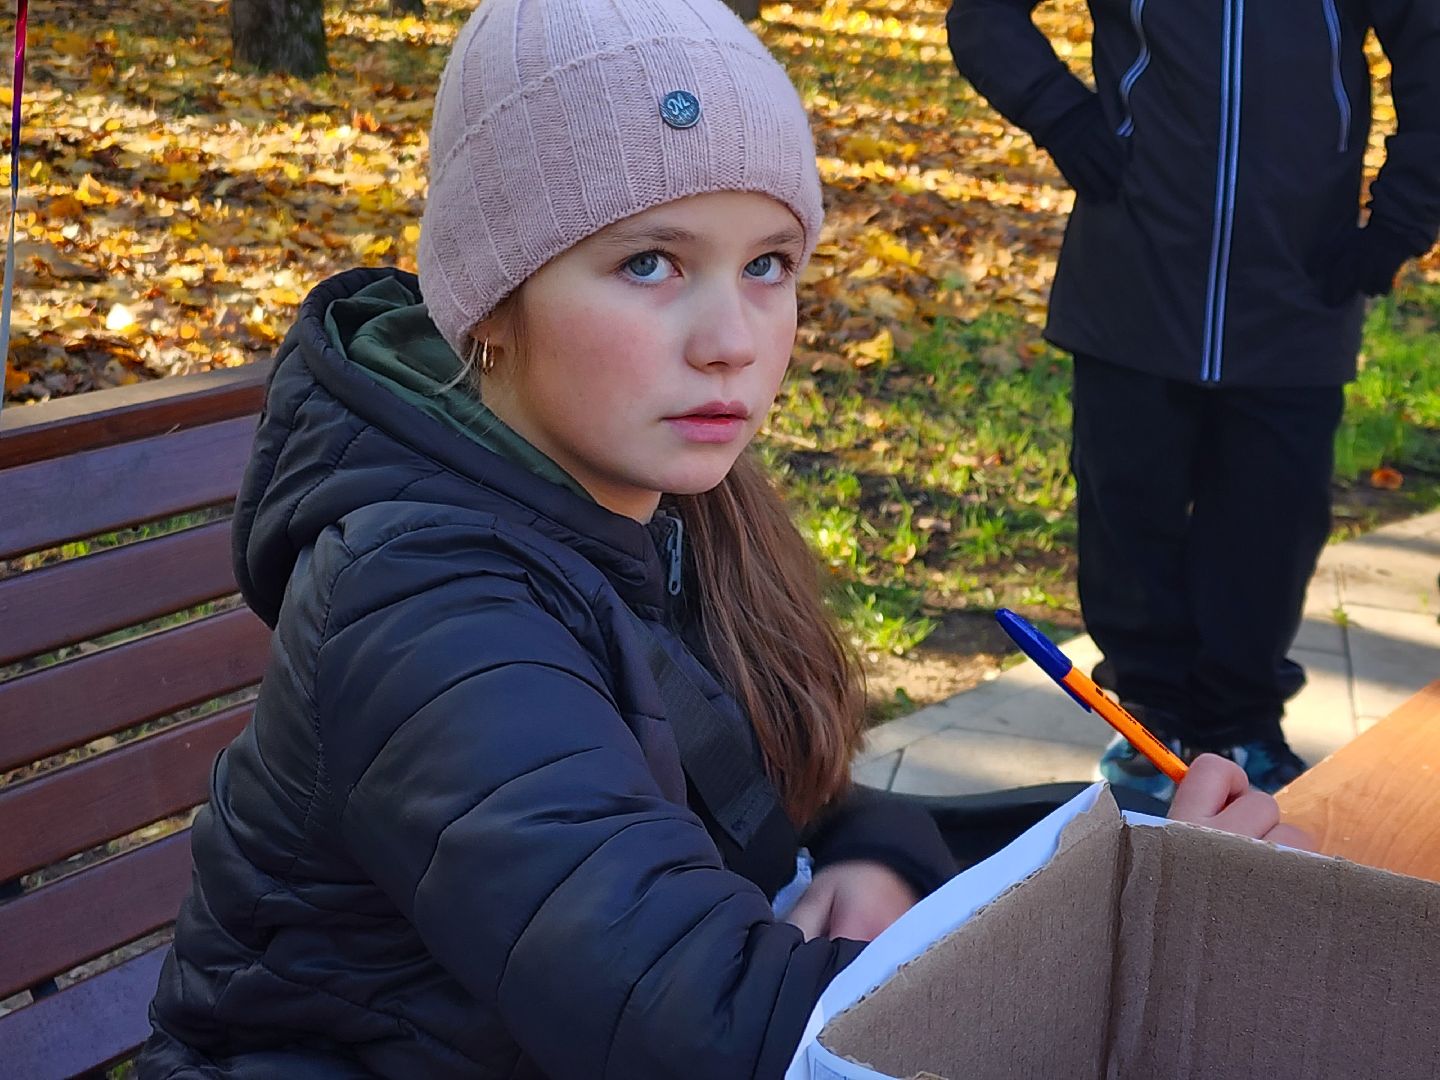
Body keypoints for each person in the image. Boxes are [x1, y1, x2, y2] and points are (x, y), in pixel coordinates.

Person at [139, 2, 1309, 1076]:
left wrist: (877, 858)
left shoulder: (663, 511)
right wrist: (1146, 923)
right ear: (490, 305)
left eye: (768, 268)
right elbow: (716, 1037)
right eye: (649, 262)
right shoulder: (424, 608)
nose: (732, 342)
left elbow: (781, 799)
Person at [946, 0, 1440, 799]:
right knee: (1126, 516)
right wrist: (1062, 116)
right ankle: (1149, 732)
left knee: (1270, 529)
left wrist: (1403, 217)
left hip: (1299, 285)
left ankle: (1243, 733)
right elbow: (982, 18)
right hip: (1135, 273)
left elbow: (1430, 49)